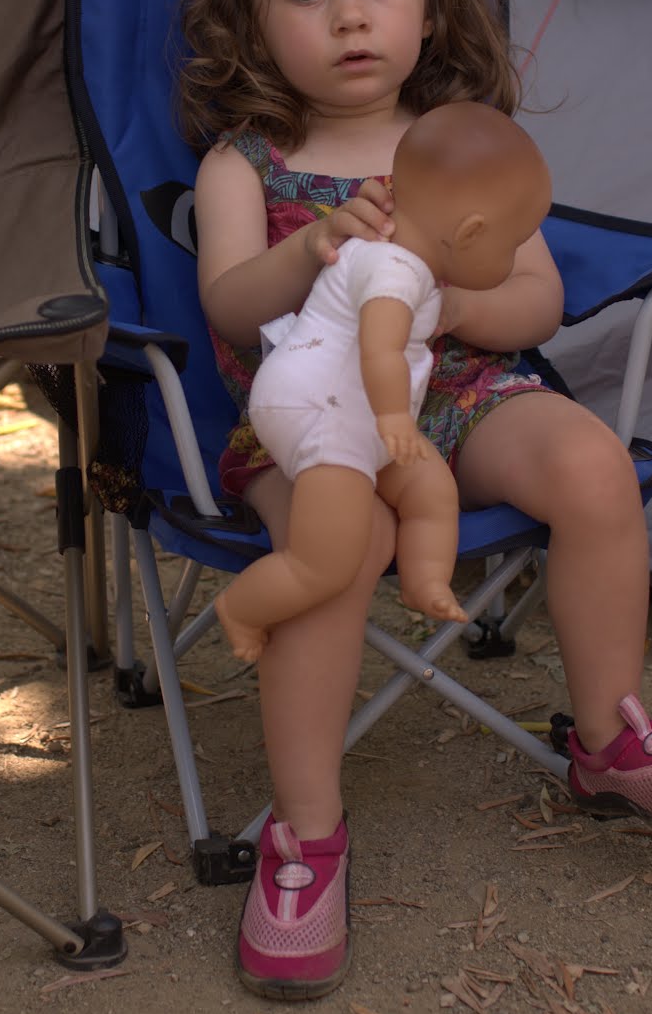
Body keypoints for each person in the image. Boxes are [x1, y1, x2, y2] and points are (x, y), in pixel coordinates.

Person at [178, 0, 652, 1003]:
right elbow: (228, 307)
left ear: (431, 5)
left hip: (463, 388)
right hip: (314, 417)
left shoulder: (464, 142)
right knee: (340, 549)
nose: (350, 16)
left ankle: (609, 737)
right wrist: (312, 247)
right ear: (253, 21)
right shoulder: (244, 164)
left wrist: (452, 298)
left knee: (590, 464)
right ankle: (304, 838)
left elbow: (536, 299)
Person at [214, 102, 553, 663]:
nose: (513, 257)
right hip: (320, 411)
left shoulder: (404, 253)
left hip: (359, 408)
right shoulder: (397, 271)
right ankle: (244, 607)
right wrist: (396, 419)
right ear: (470, 233)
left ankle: (424, 580)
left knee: (430, 489)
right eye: (510, 244)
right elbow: (380, 348)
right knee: (328, 560)